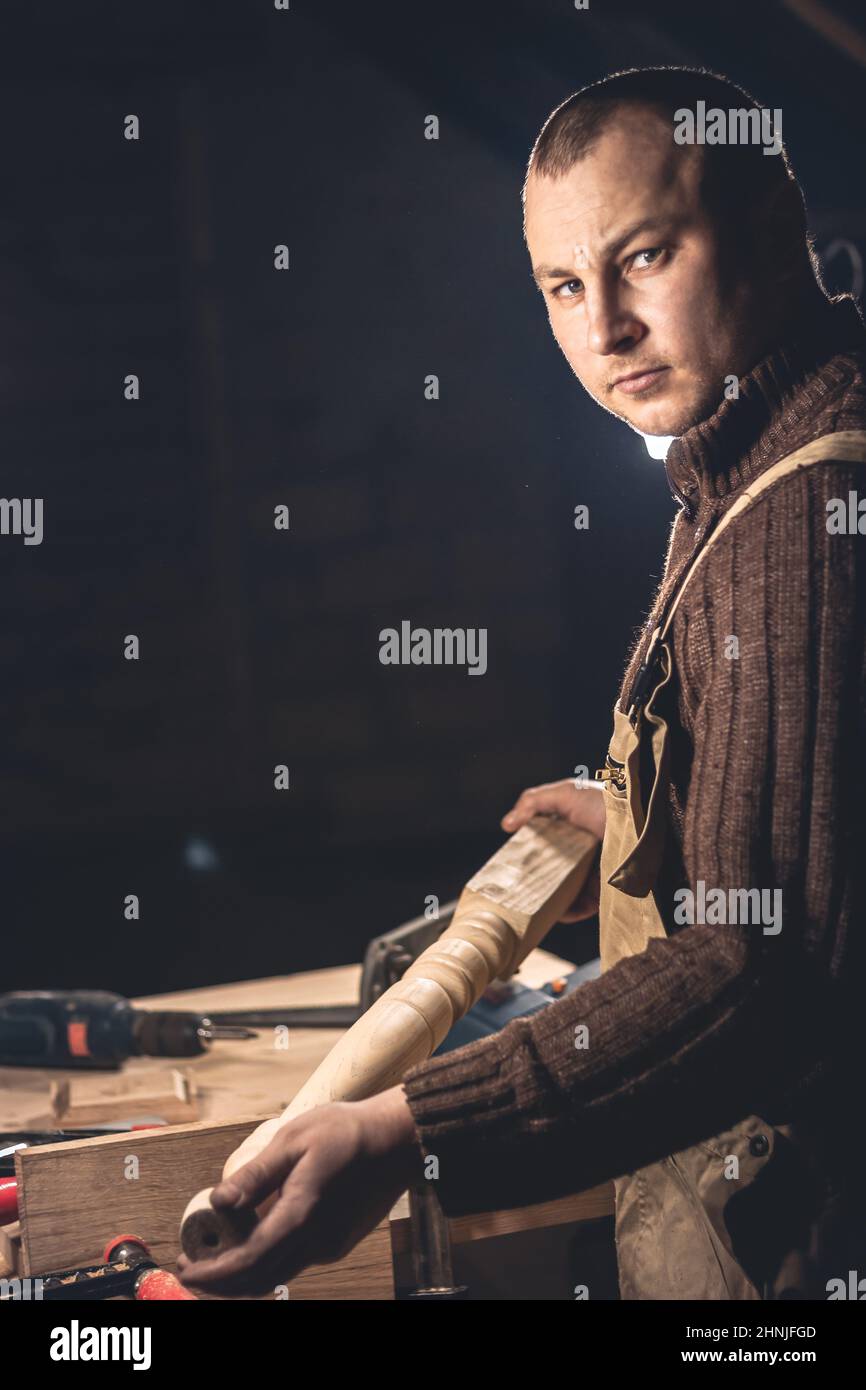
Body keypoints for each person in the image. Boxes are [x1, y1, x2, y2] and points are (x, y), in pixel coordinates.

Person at [176, 67, 866, 1300]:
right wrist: (662, 812)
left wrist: (405, 1135)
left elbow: (756, 973)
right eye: (561, 285)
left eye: (643, 257)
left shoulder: (807, 509)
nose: (601, 329)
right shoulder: (760, 450)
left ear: (770, 233)